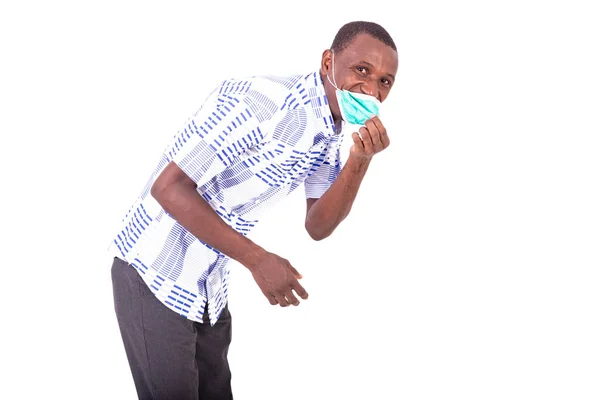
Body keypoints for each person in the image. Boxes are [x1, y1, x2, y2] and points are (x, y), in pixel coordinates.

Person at [109, 20, 398, 400]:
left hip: (207, 287)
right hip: (153, 272)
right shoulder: (262, 102)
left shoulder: (330, 133)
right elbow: (169, 188)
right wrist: (259, 261)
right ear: (328, 61)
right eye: (362, 70)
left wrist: (359, 160)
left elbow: (318, 224)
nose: (371, 89)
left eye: (385, 82)